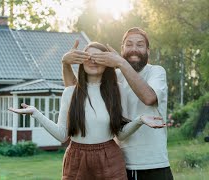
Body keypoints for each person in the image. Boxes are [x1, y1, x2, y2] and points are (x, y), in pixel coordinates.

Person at [9, 42, 165, 180]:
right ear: (81, 62)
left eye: (98, 57)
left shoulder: (118, 90)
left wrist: (139, 120)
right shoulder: (70, 92)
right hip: (76, 159)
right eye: (88, 57)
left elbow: (120, 133)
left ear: (107, 63)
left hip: (109, 158)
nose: (92, 61)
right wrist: (36, 113)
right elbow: (62, 135)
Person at [62, 28, 173, 180]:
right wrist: (66, 63)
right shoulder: (115, 78)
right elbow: (77, 92)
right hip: (118, 164)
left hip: (152, 163)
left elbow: (149, 98)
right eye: (129, 44)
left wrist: (120, 62)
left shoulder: (156, 72)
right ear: (122, 49)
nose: (134, 48)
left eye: (140, 45)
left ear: (148, 50)